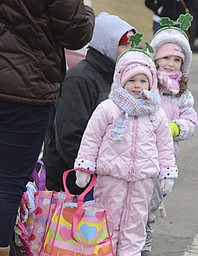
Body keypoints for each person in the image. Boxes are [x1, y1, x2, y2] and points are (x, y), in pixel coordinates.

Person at [0, 0, 94, 254]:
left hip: (23, 84)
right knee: (8, 183)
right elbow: (76, 33)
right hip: (26, 88)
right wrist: (86, 9)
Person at [73, 38, 178, 256]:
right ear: (121, 80)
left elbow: (165, 145)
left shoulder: (155, 112)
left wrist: (167, 171)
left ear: (150, 83)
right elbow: (91, 137)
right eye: (132, 81)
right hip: (111, 179)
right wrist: (84, 166)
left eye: (143, 81)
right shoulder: (108, 108)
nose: (138, 86)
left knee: (135, 225)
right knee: (107, 221)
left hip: (142, 181)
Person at [43, 12, 136, 195]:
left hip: (107, 178)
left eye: (131, 44)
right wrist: (99, 172)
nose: (130, 49)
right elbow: (70, 137)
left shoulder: (120, 78)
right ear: (106, 45)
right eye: (124, 44)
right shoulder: (79, 79)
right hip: (76, 185)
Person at [142, 14, 198, 256]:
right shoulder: (145, 85)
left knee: (152, 203)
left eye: (177, 59)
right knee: (138, 204)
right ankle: (139, 244)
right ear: (155, 58)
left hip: (164, 160)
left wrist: (176, 127)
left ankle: (143, 241)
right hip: (140, 154)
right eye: (166, 57)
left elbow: (191, 120)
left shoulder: (182, 94)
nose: (171, 63)